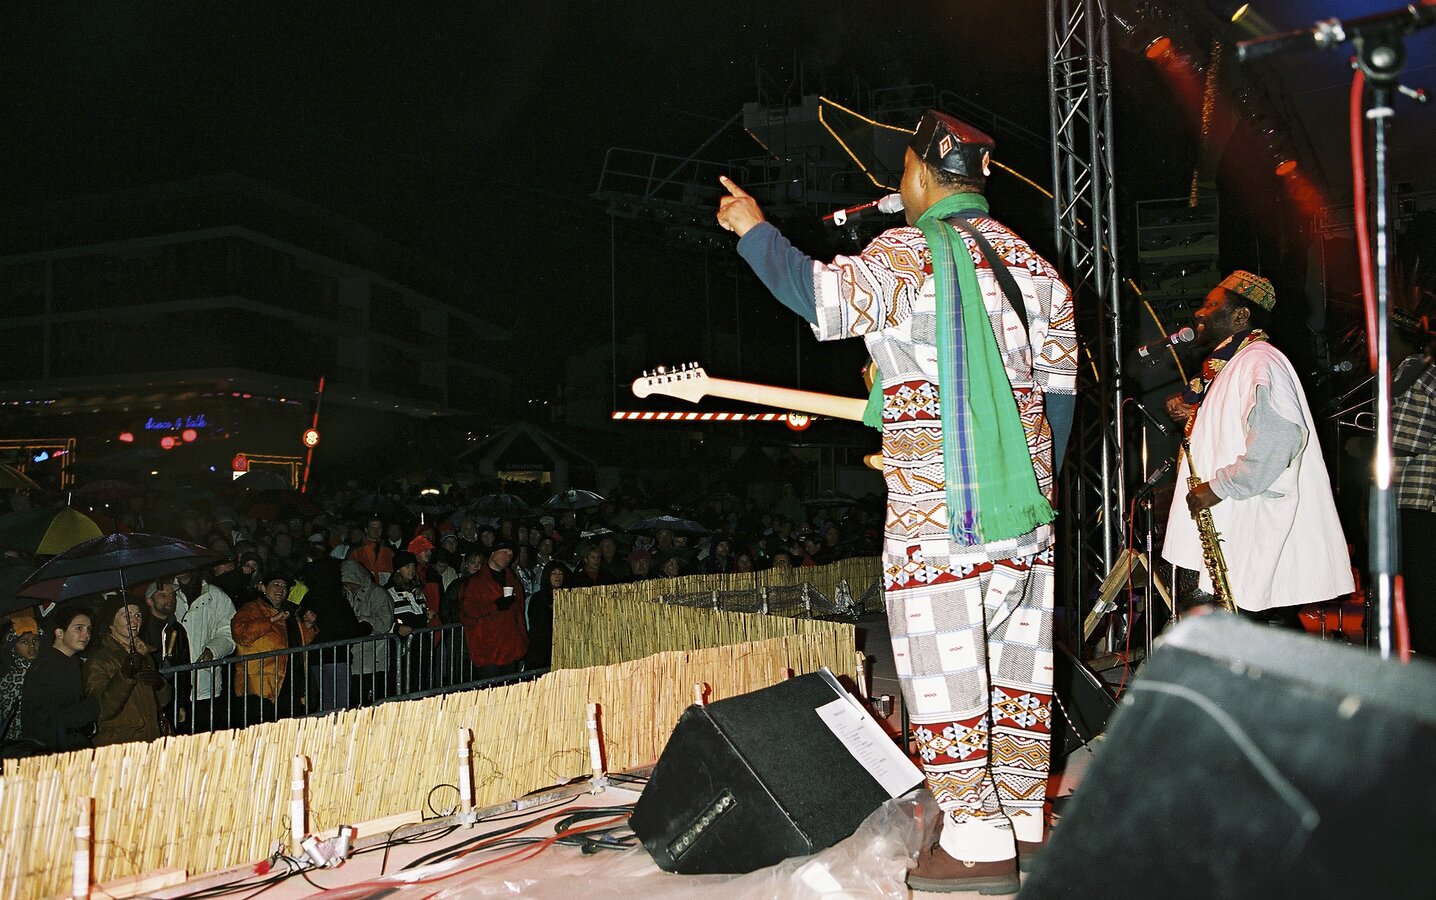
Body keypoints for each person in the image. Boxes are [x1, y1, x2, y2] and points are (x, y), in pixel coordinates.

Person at [718, 109, 1076, 892]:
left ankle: (979, 845)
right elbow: (1058, 403)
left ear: (918, 173)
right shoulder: (1038, 270)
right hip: (1027, 518)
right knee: (1018, 673)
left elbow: (821, 297)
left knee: (948, 677)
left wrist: (753, 230)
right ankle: (1023, 821)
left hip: (940, 517)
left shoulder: (909, 251)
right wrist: (1029, 491)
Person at [1162, 271, 1353, 624]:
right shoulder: (1233, 364)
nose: (1200, 312)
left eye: (1211, 305)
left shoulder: (1260, 360)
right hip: (1231, 527)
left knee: (1249, 632)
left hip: (1246, 525)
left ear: (1241, 315)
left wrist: (1220, 486)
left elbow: (1280, 437)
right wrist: (1198, 412)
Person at [1391, 333, 1435, 654]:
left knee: (1420, 596)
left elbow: (1405, 440)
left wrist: (1361, 447)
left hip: (1418, 496)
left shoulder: (1417, 368)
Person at [83, 594, 172, 746]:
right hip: (120, 744)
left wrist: (160, 685)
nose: (134, 621)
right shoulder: (99, 661)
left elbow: (162, 701)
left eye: (138, 615)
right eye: (127, 615)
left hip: (150, 739)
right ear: (111, 622)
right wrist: (124, 676)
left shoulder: (144, 655)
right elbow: (103, 710)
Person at [21, 608, 99, 751]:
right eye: (79, 628)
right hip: (53, 750)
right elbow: (58, 716)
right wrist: (93, 705)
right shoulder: (51, 666)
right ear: (59, 633)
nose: (86, 634)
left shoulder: (65, 661)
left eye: (89, 629)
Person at [455, 541, 528, 678]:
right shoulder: (475, 582)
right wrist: (495, 606)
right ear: (493, 553)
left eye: (511, 554)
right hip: (487, 649)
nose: (508, 556)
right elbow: (467, 612)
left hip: (510, 647)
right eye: (504, 552)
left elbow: (519, 615)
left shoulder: (513, 581)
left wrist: (522, 639)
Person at [0, 622, 40, 741]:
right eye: (24, 642)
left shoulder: (43, 668)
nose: (31, 645)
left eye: (35, 640)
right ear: (13, 647)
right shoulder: (11, 677)